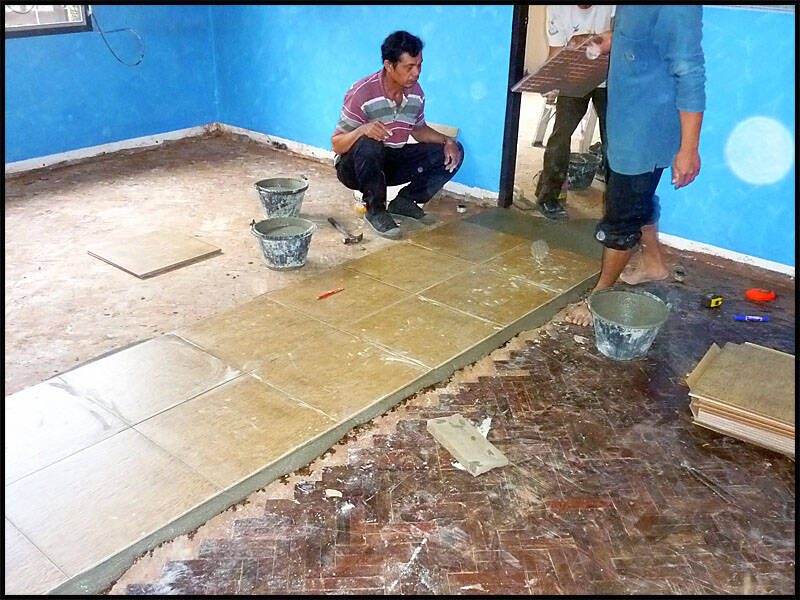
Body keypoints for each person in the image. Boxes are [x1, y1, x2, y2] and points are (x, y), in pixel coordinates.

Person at [566, 5, 706, 326]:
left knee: (623, 211)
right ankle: (653, 263)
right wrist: (607, 40)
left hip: (647, 125)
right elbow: (642, 36)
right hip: (627, 117)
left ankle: (600, 296)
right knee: (638, 196)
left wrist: (689, 149)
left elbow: (691, 73)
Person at [332, 31, 464, 239]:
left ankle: (406, 202)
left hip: (390, 163)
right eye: (409, 67)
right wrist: (361, 130)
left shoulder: (416, 93)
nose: (416, 73)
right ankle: (375, 210)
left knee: (454, 151)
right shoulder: (362, 93)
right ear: (389, 65)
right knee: (369, 143)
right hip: (354, 169)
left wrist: (448, 141)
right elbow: (337, 144)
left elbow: (418, 130)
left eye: (419, 65)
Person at [535, 4, 616, 220]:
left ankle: (616, 206)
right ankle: (549, 196)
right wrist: (549, 80)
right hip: (575, 76)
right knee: (560, 135)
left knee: (613, 142)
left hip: (608, 76)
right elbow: (555, 51)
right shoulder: (557, 8)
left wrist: (591, 39)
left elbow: (625, 37)